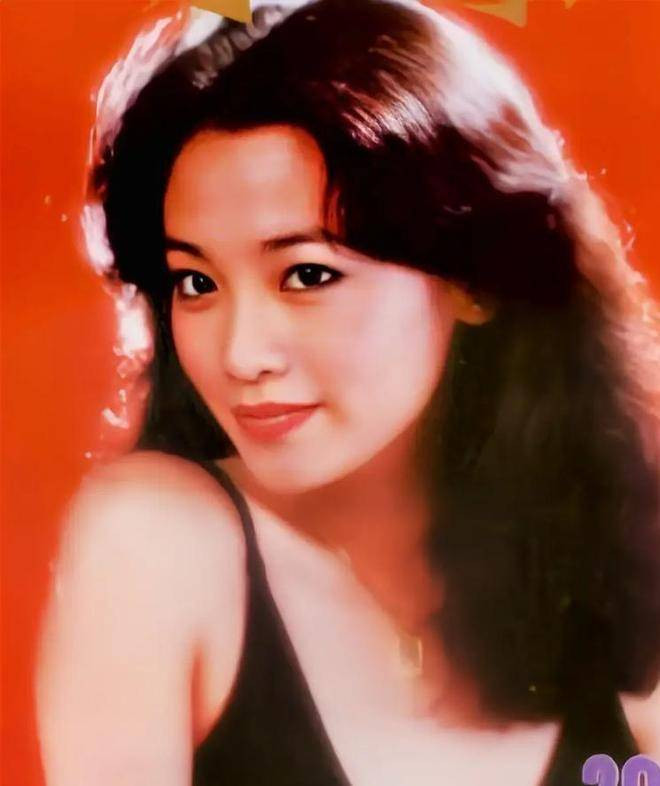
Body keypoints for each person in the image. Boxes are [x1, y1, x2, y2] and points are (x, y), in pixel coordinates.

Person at [36, 1, 660, 784]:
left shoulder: (622, 548)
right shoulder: (156, 540)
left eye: (307, 274)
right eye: (196, 282)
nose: (241, 354)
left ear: (474, 277)